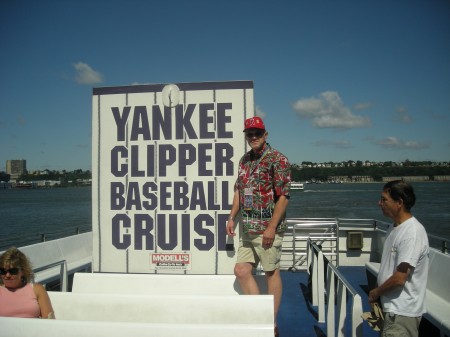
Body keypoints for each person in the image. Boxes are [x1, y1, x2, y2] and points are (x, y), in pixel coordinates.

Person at [226, 116, 291, 337]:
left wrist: (271, 227)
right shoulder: (244, 160)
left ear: (265, 134)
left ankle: (270, 324)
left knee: (271, 273)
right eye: (249, 134)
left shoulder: (278, 160)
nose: (253, 137)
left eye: (257, 133)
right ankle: (259, 315)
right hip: (247, 227)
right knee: (241, 270)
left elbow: (283, 197)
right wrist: (231, 217)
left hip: (267, 228)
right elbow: (239, 191)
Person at [368, 180, 429, 337]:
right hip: (389, 307)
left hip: (401, 312)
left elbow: (400, 278)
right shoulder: (394, 227)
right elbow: (387, 267)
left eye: (384, 199)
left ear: (399, 202)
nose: (379, 203)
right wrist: (377, 297)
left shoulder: (412, 233)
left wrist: (375, 292)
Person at [0, 247, 55, 318]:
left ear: (22, 271)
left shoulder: (37, 289)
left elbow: (49, 319)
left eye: (13, 271)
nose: (7, 275)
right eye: (3, 271)